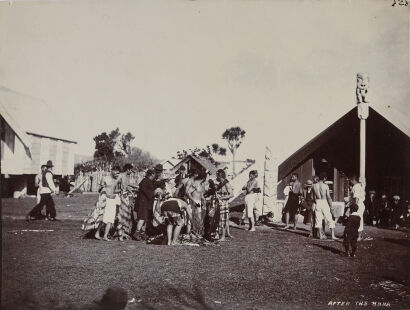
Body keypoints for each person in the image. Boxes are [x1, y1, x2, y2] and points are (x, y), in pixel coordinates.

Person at [95, 166, 122, 241]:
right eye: (116, 173)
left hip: (113, 200)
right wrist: (102, 190)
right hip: (107, 200)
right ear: (112, 171)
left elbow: (114, 190)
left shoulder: (116, 180)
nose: (117, 175)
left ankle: (103, 235)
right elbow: (100, 190)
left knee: (110, 219)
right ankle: (100, 234)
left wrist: (120, 190)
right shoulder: (105, 178)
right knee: (105, 218)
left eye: (118, 173)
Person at [312, 172, 339, 240]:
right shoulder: (325, 186)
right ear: (325, 178)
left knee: (318, 219)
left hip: (318, 202)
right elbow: (328, 197)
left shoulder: (314, 186)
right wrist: (331, 206)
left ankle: (321, 235)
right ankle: (333, 236)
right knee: (329, 218)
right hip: (324, 202)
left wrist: (317, 202)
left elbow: (313, 197)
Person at [115, 164, 138, 241]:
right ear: (128, 169)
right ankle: (120, 234)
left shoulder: (126, 177)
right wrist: (130, 191)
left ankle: (123, 233)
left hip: (125, 196)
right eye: (131, 170)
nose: (131, 172)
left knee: (127, 214)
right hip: (121, 197)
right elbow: (121, 186)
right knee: (122, 215)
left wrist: (134, 188)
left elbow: (127, 186)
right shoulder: (121, 175)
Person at [134, 169, 156, 240]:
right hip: (143, 202)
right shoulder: (145, 180)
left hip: (146, 202)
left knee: (145, 218)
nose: (155, 176)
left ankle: (142, 233)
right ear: (152, 174)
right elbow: (144, 190)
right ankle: (136, 233)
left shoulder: (148, 181)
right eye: (154, 174)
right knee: (142, 217)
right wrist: (153, 194)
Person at [186, 171, 208, 237]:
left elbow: (200, 195)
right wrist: (193, 201)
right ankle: (188, 233)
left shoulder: (201, 185)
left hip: (199, 202)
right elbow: (188, 193)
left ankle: (196, 232)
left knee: (199, 218)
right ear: (203, 178)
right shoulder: (195, 184)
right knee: (191, 218)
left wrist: (204, 200)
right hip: (193, 201)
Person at [216, 169, 233, 241]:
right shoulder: (220, 183)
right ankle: (224, 234)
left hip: (224, 204)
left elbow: (231, 194)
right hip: (220, 203)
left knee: (223, 219)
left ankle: (223, 237)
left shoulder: (226, 184)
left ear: (220, 176)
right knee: (221, 219)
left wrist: (222, 197)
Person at [350, 176, 365, 241]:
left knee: (358, 220)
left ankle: (359, 236)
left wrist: (354, 206)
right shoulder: (360, 186)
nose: (350, 181)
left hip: (358, 205)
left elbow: (356, 197)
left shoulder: (356, 186)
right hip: (359, 204)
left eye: (350, 180)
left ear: (353, 180)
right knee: (357, 219)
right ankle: (356, 235)